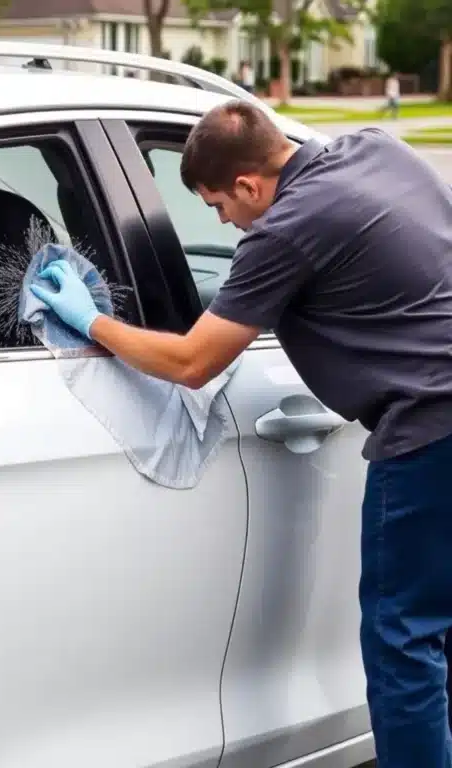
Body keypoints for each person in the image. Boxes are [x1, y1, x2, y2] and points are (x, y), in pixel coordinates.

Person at [31, 99, 452, 768]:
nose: (225, 223)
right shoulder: (379, 149)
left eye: (219, 206)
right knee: (437, 625)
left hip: (431, 431)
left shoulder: (285, 230)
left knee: (401, 639)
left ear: (249, 185)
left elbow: (192, 363)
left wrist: (89, 322)